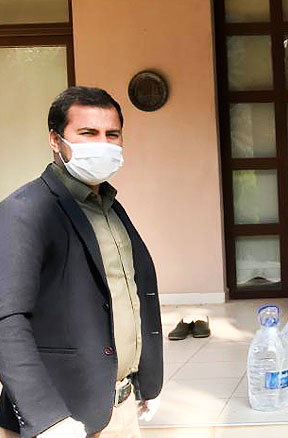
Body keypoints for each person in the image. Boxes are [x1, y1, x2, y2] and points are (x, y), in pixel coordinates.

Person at [0, 86, 163, 438]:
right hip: (61, 419)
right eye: (88, 133)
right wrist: (46, 418)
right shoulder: (25, 212)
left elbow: (126, 295)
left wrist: (145, 379)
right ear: (55, 140)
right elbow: (6, 319)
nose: (102, 144)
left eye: (112, 134)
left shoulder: (109, 208)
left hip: (118, 407)